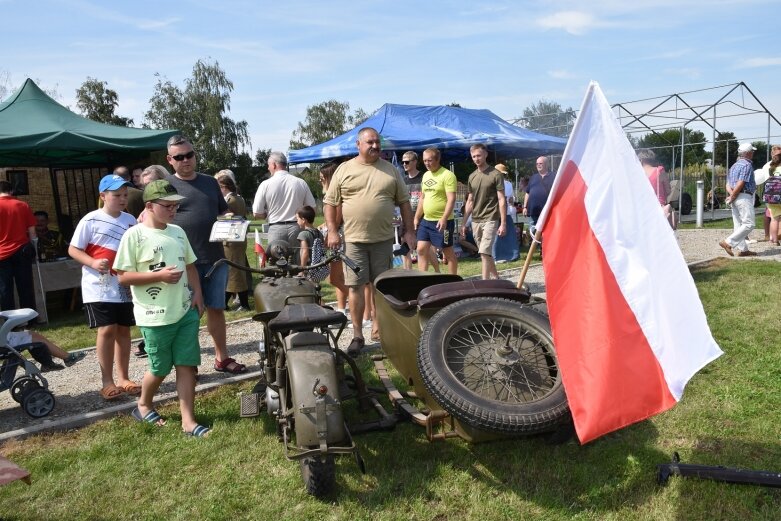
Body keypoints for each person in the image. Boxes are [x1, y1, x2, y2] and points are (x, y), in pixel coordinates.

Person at [114, 179, 210, 436]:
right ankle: (143, 405)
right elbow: (122, 276)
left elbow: (190, 265)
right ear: (149, 206)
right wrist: (158, 277)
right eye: (167, 206)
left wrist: (198, 293)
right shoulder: (134, 236)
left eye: (175, 206)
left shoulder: (177, 232)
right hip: (154, 317)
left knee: (186, 364)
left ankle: (188, 422)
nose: (172, 211)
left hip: (184, 312)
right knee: (160, 367)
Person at [323, 127, 416, 356]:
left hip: (383, 240)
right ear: (358, 145)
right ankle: (357, 335)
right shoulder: (344, 170)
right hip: (354, 241)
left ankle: (381, 330)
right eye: (370, 142)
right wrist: (333, 231)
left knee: (381, 288)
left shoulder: (390, 170)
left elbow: (404, 202)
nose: (375, 146)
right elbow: (330, 204)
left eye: (377, 142)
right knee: (355, 287)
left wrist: (410, 230)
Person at [165, 135, 246, 374]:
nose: (186, 160)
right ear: (170, 159)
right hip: (183, 261)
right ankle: (189, 364)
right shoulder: (166, 185)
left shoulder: (211, 182)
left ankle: (222, 357)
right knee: (188, 313)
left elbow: (223, 211)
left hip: (214, 256)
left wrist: (231, 219)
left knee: (216, 308)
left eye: (189, 155)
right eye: (179, 157)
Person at [68, 174, 139, 400]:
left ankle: (124, 377)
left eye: (125, 195)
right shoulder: (90, 220)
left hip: (123, 286)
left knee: (123, 330)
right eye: (117, 195)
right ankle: (106, 380)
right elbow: (73, 249)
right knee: (107, 329)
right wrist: (92, 262)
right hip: (98, 287)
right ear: (103, 196)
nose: (122, 199)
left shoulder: (130, 220)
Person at [252, 152, 316, 254]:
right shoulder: (300, 182)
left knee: (276, 263)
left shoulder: (265, 185)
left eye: (268, 165)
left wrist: (266, 213)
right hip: (296, 228)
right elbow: (312, 208)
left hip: (275, 229)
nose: (268, 168)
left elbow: (256, 213)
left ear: (274, 165)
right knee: (297, 264)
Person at [461, 144, 506, 279]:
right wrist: (463, 223)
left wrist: (503, 223)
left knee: (485, 252)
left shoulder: (496, 174)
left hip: (491, 218)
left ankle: (484, 283)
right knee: (484, 253)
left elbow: (501, 199)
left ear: (485, 154)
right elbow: (470, 201)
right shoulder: (472, 176)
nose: (476, 159)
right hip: (476, 220)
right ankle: (497, 280)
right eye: (474, 156)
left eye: (479, 155)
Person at [415, 148, 458, 274]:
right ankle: (422, 279)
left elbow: (451, 199)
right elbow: (423, 198)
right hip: (426, 221)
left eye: (430, 160)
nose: (427, 163)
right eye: (424, 161)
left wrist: (444, 218)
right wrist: (417, 217)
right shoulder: (426, 175)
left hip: (443, 222)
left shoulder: (448, 175)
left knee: (447, 252)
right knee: (421, 249)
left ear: (438, 159)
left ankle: (453, 280)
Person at [0, 181, 38, 314]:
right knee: (25, 286)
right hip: (22, 250)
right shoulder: (22, 205)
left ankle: (9, 321)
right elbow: (32, 232)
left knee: (5, 289)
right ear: (11, 191)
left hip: (1, 253)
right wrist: (35, 245)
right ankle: (29, 318)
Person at [215, 171, 250, 311]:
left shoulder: (230, 201)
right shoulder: (239, 198)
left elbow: (227, 219)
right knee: (236, 272)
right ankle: (237, 302)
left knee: (233, 272)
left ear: (224, 187)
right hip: (237, 240)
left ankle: (237, 303)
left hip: (231, 240)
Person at [318, 163, 348, 315]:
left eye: (323, 176)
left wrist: (328, 231)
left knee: (335, 279)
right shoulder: (331, 193)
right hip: (335, 235)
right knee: (339, 278)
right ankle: (342, 309)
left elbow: (336, 220)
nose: (320, 179)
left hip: (337, 238)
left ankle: (363, 303)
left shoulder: (335, 194)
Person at [401, 150, 439, 271]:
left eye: (407, 162)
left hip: (423, 218)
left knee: (425, 249)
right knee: (405, 247)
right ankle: (408, 275)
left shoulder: (424, 177)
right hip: (407, 217)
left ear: (415, 162)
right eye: (403, 162)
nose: (404, 164)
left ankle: (437, 272)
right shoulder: (403, 180)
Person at [719, 143, 758, 257]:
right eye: (752, 151)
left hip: (735, 197)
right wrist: (734, 195)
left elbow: (728, 184)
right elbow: (741, 182)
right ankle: (728, 242)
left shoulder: (734, 165)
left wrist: (732, 195)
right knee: (749, 224)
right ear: (748, 153)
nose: (753, 153)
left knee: (738, 224)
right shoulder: (747, 165)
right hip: (743, 196)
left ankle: (743, 250)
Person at [6, 328, 86, 371]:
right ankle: (65, 358)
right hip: (4, 342)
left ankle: (48, 363)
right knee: (36, 340)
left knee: (31, 334)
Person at [638, 149, 674, 228]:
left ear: (641, 160)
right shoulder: (659, 171)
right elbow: (668, 191)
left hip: (642, 210)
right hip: (658, 208)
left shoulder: (637, 174)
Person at [523, 156, 555, 237]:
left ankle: (543, 248)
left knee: (547, 231)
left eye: (540, 163)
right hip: (533, 211)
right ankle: (535, 247)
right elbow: (527, 193)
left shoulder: (554, 176)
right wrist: (525, 207)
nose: (538, 165)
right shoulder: (533, 177)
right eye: (537, 164)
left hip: (547, 211)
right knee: (533, 231)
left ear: (546, 164)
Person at [763, 145, 781, 245]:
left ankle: (773, 239)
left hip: (771, 197)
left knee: (774, 219)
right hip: (780, 197)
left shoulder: (770, 167)